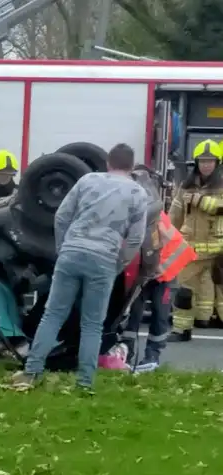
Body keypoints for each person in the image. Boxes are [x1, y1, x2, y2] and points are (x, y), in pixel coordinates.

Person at [11, 143, 148, 391]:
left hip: (72, 253)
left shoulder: (87, 181)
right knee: (92, 324)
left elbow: (62, 216)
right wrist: (119, 263)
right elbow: (136, 239)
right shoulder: (137, 194)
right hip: (104, 259)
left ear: (108, 163)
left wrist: (64, 248)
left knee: (53, 315)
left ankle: (31, 372)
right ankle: (84, 383)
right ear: (131, 165)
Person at [121, 165, 195, 371]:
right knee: (133, 316)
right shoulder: (138, 214)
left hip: (164, 274)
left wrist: (158, 270)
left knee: (160, 316)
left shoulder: (154, 217)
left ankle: (152, 356)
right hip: (145, 273)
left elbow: (171, 247)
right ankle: (126, 353)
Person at [169, 139, 223, 340]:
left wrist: (200, 200)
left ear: (217, 163)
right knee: (184, 290)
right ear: (196, 163)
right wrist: (165, 237)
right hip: (191, 250)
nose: (206, 165)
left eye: (210, 161)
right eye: (202, 161)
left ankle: (205, 319)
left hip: (218, 251)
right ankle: (182, 330)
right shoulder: (187, 186)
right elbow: (175, 215)